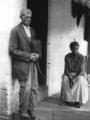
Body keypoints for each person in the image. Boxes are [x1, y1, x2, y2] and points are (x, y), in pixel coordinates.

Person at [9, 8, 41, 119]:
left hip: (33, 64)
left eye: (30, 17)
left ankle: (31, 109)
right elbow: (12, 50)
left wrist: (37, 54)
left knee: (34, 87)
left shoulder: (32, 30)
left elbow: (36, 45)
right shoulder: (15, 31)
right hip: (22, 64)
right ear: (21, 17)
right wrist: (28, 56)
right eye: (27, 17)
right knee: (25, 88)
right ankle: (23, 111)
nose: (29, 19)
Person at [61, 41, 88, 108]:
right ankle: (68, 100)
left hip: (78, 74)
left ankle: (77, 101)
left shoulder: (82, 57)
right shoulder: (67, 56)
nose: (75, 50)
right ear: (70, 49)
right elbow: (66, 69)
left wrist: (74, 78)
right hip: (69, 74)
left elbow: (82, 70)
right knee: (65, 79)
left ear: (78, 48)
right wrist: (70, 77)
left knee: (79, 80)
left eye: (77, 48)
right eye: (73, 48)